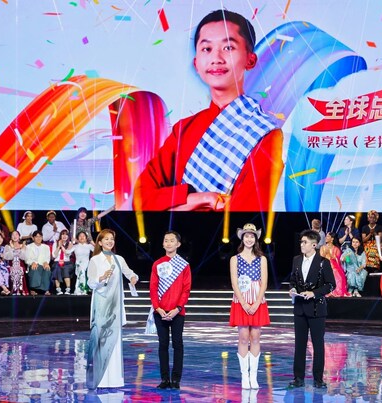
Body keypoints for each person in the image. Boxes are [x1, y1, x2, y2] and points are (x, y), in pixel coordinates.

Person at [133, 9, 283, 212]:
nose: (216, 58)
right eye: (206, 49)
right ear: (196, 63)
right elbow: (141, 198)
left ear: (250, 60)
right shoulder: (183, 129)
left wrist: (174, 205)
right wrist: (200, 198)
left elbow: (246, 216)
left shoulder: (265, 134)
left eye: (228, 47)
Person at [86, 229, 138, 389]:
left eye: (112, 239)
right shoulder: (95, 260)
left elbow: (129, 273)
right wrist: (100, 278)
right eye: (106, 239)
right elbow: (90, 283)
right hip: (101, 305)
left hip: (115, 306)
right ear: (100, 242)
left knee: (114, 342)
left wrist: (133, 278)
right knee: (101, 340)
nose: (110, 241)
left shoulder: (119, 259)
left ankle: (114, 379)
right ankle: (99, 379)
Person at [288, 229, 336, 389]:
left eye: (305, 242)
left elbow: (331, 285)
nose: (302, 244)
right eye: (301, 242)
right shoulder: (296, 260)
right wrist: (292, 289)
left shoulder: (323, 262)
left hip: (316, 309)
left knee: (318, 345)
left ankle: (318, 379)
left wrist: (314, 293)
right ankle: (298, 378)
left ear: (314, 245)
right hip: (300, 308)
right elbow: (293, 280)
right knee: (299, 344)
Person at [229, 224, 270, 389]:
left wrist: (257, 302)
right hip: (241, 300)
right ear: (242, 238)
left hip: (257, 299)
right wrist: (244, 303)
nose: (249, 239)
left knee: (256, 337)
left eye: (252, 236)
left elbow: (264, 282)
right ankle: (244, 376)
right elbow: (234, 283)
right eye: (246, 236)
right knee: (243, 337)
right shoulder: (235, 259)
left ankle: (253, 376)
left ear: (256, 239)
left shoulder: (262, 259)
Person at [149, 231, 191, 390]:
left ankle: (176, 379)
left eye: (172, 240)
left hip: (177, 312)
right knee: (163, 345)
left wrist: (178, 308)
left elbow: (186, 289)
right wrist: (157, 308)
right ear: (163, 244)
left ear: (178, 244)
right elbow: (153, 288)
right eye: (166, 240)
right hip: (160, 311)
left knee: (178, 344)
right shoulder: (157, 264)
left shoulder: (184, 265)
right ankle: (165, 379)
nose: (168, 243)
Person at [320, 232, 347, 297]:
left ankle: (335, 291)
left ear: (332, 239)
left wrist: (329, 254)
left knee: (337, 274)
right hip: (324, 266)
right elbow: (321, 258)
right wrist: (325, 253)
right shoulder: (323, 247)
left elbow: (337, 260)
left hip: (334, 267)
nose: (326, 237)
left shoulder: (336, 249)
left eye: (327, 236)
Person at [25, 230, 52, 295]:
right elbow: (26, 259)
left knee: (47, 269)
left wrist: (46, 262)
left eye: (40, 236)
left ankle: (45, 289)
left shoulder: (46, 247)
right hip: (33, 264)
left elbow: (47, 258)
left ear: (42, 237)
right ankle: (33, 289)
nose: (38, 238)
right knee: (35, 268)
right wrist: (32, 262)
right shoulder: (28, 247)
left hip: (43, 264)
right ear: (33, 238)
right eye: (36, 237)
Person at [3, 231, 28, 295]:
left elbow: (24, 257)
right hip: (10, 265)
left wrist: (21, 249)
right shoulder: (7, 246)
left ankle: (20, 290)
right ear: (11, 237)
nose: (15, 236)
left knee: (19, 269)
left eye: (16, 234)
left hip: (20, 265)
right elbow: (7, 257)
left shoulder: (23, 246)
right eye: (13, 235)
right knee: (12, 270)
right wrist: (12, 248)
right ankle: (13, 290)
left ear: (19, 237)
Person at [51, 229, 73, 295]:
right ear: (60, 235)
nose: (64, 236)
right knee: (57, 268)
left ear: (68, 236)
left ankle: (68, 289)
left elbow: (67, 254)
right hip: (57, 262)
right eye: (63, 234)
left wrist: (62, 246)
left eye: (66, 234)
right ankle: (58, 289)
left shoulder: (70, 244)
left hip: (67, 262)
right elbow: (54, 255)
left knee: (65, 269)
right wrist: (58, 246)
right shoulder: (55, 243)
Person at [72, 231, 94, 295]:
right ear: (77, 238)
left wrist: (94, 244)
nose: (82, 237)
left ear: (86, 238)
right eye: (80, 236)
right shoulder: (75, 246)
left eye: (83, 236)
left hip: (86, 263)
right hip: (78, 264)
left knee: (82, 273)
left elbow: (97, 251)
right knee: (80, 275)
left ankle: (83, 290)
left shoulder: (89, 246)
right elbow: (67, 252)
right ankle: (79, 290)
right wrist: (69, 246)